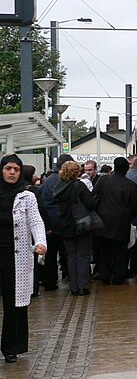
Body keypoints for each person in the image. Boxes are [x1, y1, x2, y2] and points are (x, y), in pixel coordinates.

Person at [0, 154, 47, 363]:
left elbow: (36, 221)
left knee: (14, 303)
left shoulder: (27, 196)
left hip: (15, 255)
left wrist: (40, 242)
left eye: (16, 169)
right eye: (8, 168)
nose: (11, 172)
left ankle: (11, 346)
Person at [93, 157, 137, 285]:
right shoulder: (130, 185)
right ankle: (119, 277)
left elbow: (93, 197)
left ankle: (105, 275)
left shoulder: (103, 181)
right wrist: (128, 216)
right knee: (121, 252)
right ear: (126, 169)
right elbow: (135, 205)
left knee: (104, 251)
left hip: (102, 222)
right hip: (122, 223)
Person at [53, 161, 98, 296]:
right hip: (82, 224)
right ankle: (83, 286)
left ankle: (74, 287)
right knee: (84, 255)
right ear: (76, 172)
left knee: (71, 256)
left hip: (66, 225)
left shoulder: (58, 187)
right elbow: (91, 203)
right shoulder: (79, 185)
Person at [41, 153, 73, 290]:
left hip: (50, 223)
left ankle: (50, 281)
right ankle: (71, 277)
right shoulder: (64, 181)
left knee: (51, 255)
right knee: (68, 252)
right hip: (64, 222)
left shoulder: (47, 181)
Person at [21, 165, 50, 297]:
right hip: (29, 232)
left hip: (24, 232)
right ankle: (32, 288)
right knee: (32, 260)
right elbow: (40, 211)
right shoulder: (32, 191)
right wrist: (47, 227)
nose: (36, 176)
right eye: (34, 174)